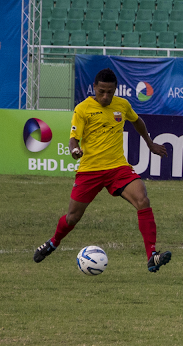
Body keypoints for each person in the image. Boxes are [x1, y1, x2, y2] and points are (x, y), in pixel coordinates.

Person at [34, 68, 172, 272]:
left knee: (143, 199)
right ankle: (53, 242)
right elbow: (73, 138)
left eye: (110, 92)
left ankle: (151, 256)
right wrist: (74, 150)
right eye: (102, 92)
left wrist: (150, 144)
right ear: (94, 88)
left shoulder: (122, 105)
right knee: (73, 217)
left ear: (115, 89)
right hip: (90, 171)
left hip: (118, 168)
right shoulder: (83, 108)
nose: (106, 96)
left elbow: (137, 121)